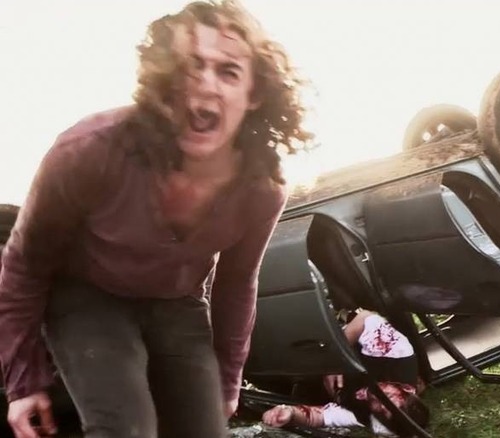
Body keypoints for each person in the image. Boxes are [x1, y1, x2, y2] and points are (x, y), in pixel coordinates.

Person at [0, 1, 310, 437]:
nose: (205, 85)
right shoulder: (87, 150)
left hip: (177, 304)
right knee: (127, 428)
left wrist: (227, 379)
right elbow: (23, 264)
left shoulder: (261, 188)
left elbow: (237, 284)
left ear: (254, 93)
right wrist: (23, 382)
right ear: (163, 77)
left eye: (228, 71)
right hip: (87, 297)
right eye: (190, 66)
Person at [261, 310, 430, 437]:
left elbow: (321, 418)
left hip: (293, 372)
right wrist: (335, 360)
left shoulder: (364, 415)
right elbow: (365, 318)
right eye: (392, 402)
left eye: (381, 412)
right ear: (407, 392)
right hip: (320, 331)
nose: (380, 403)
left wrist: (289, 413)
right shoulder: (398, 356)